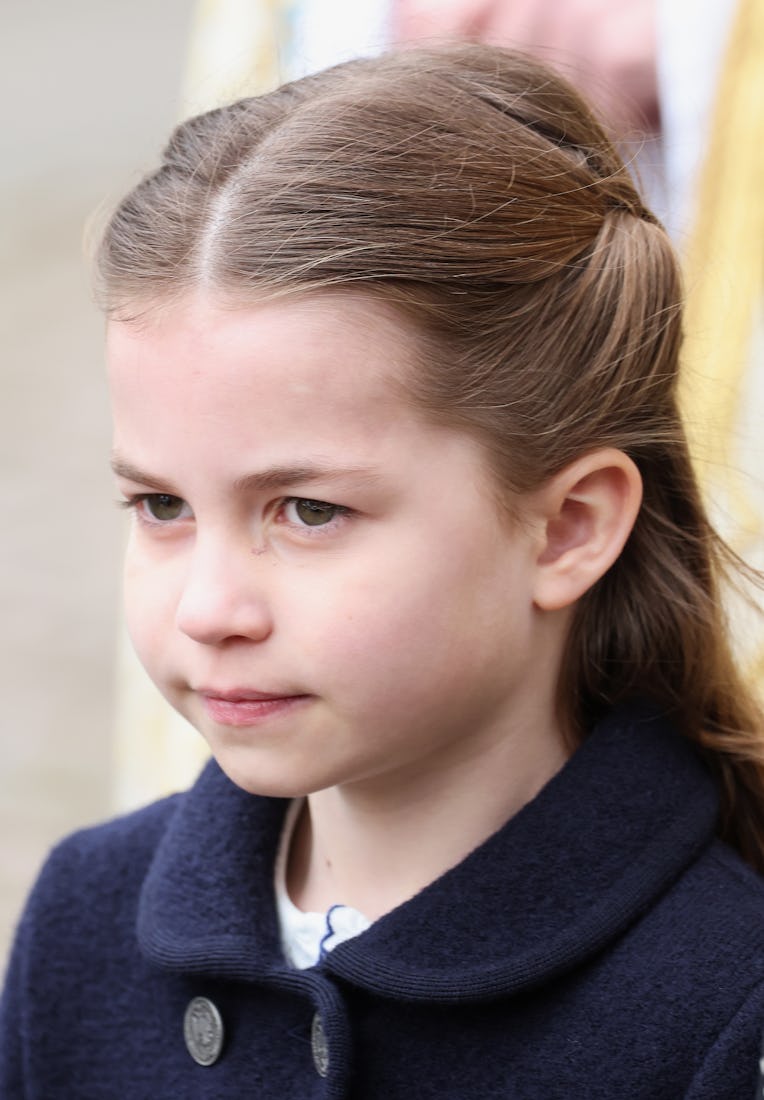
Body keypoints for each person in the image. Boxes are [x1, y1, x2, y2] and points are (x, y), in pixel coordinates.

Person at [2, 43, 764, 1099]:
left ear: (565, 528)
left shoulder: (724, 1004)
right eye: (162, 505)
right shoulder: (86, 915)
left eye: (308, 511)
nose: (208, 606)